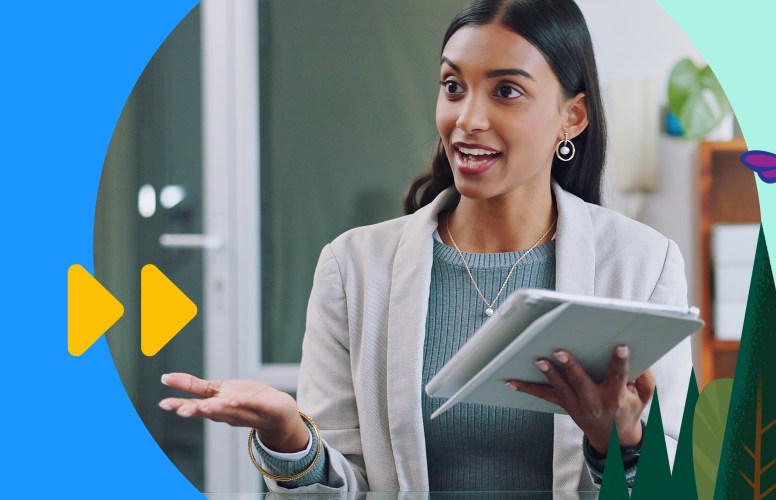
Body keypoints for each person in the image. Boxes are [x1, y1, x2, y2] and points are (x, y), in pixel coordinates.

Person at [159, 0, 692, 493]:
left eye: (506, 91)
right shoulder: (353, 268)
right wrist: (287, 435)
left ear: (571, 117)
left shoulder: (642, 264)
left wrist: (618, 441)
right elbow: (346, 483)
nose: (467, 119)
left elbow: (670, 483)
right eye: (453, 86)